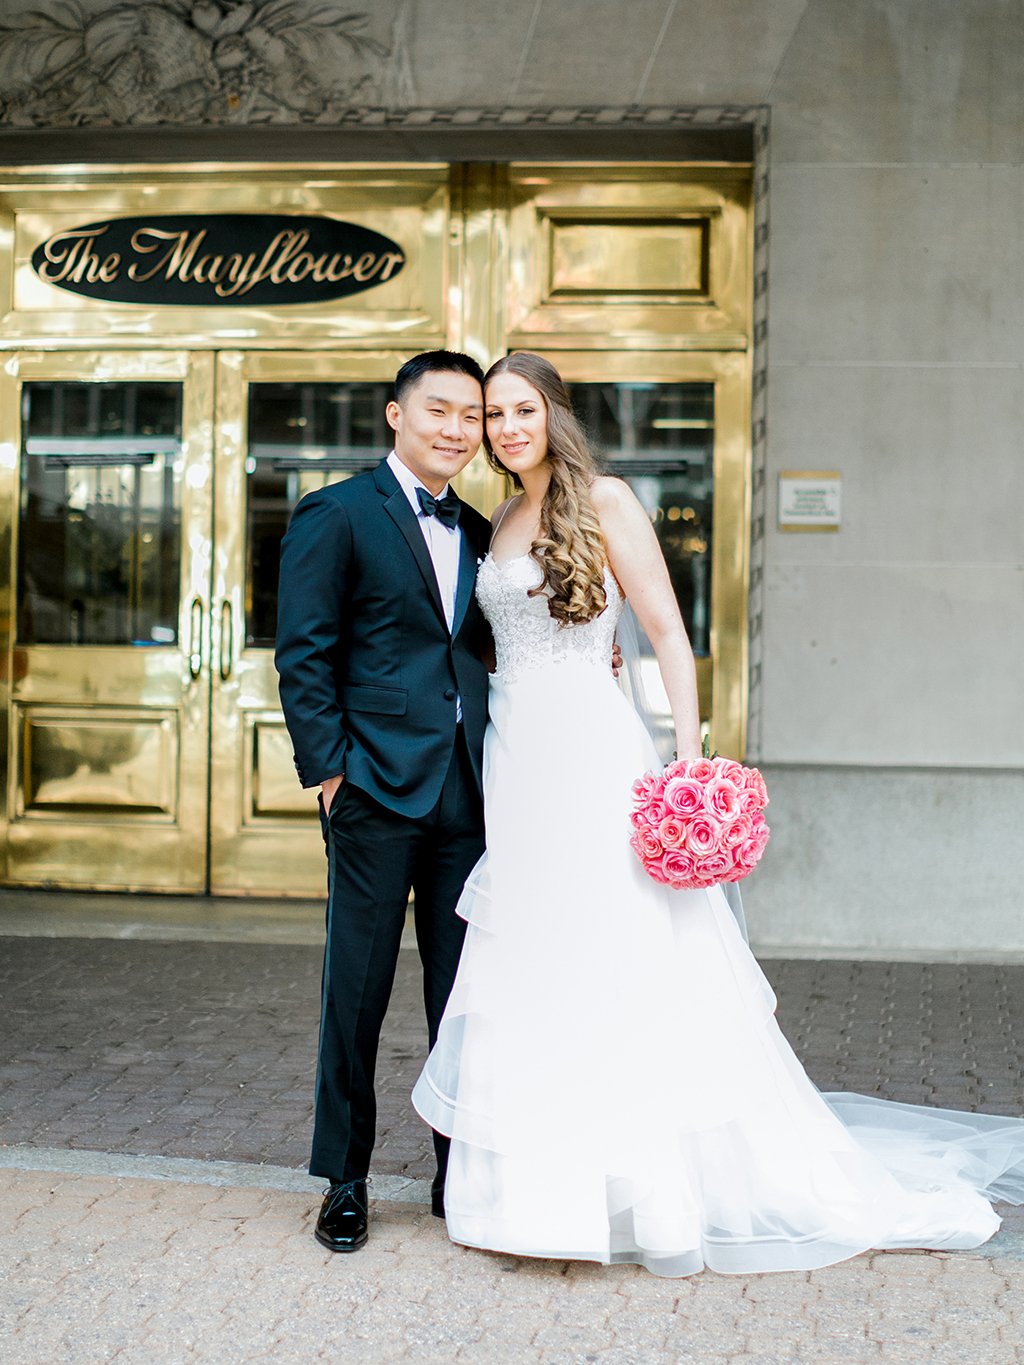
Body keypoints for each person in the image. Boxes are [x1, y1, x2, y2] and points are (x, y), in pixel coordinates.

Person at [412, 350, 1024, 1277]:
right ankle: (538, 1192)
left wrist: (686, 758)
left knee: (616, 953)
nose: (504, 427)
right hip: (516, 758)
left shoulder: (605, 500)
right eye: (493, 413)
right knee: (537, 953)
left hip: (589, 751)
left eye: (520, 409)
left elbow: (665, 630)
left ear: (553, 414)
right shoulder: (498, 516)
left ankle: (644, 1195)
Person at [275, 350, 494, 1253]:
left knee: (464, 995)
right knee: (354, 992)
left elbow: (483, 647)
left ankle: (459, 1174)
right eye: (438, 409)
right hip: (371, 790)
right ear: (396, 415)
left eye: (471, 417)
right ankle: (347, 1178)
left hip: (470, 793)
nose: (455, 428)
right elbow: (304, 653)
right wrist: (332, 773)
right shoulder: (337, 512)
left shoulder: (482, 528)